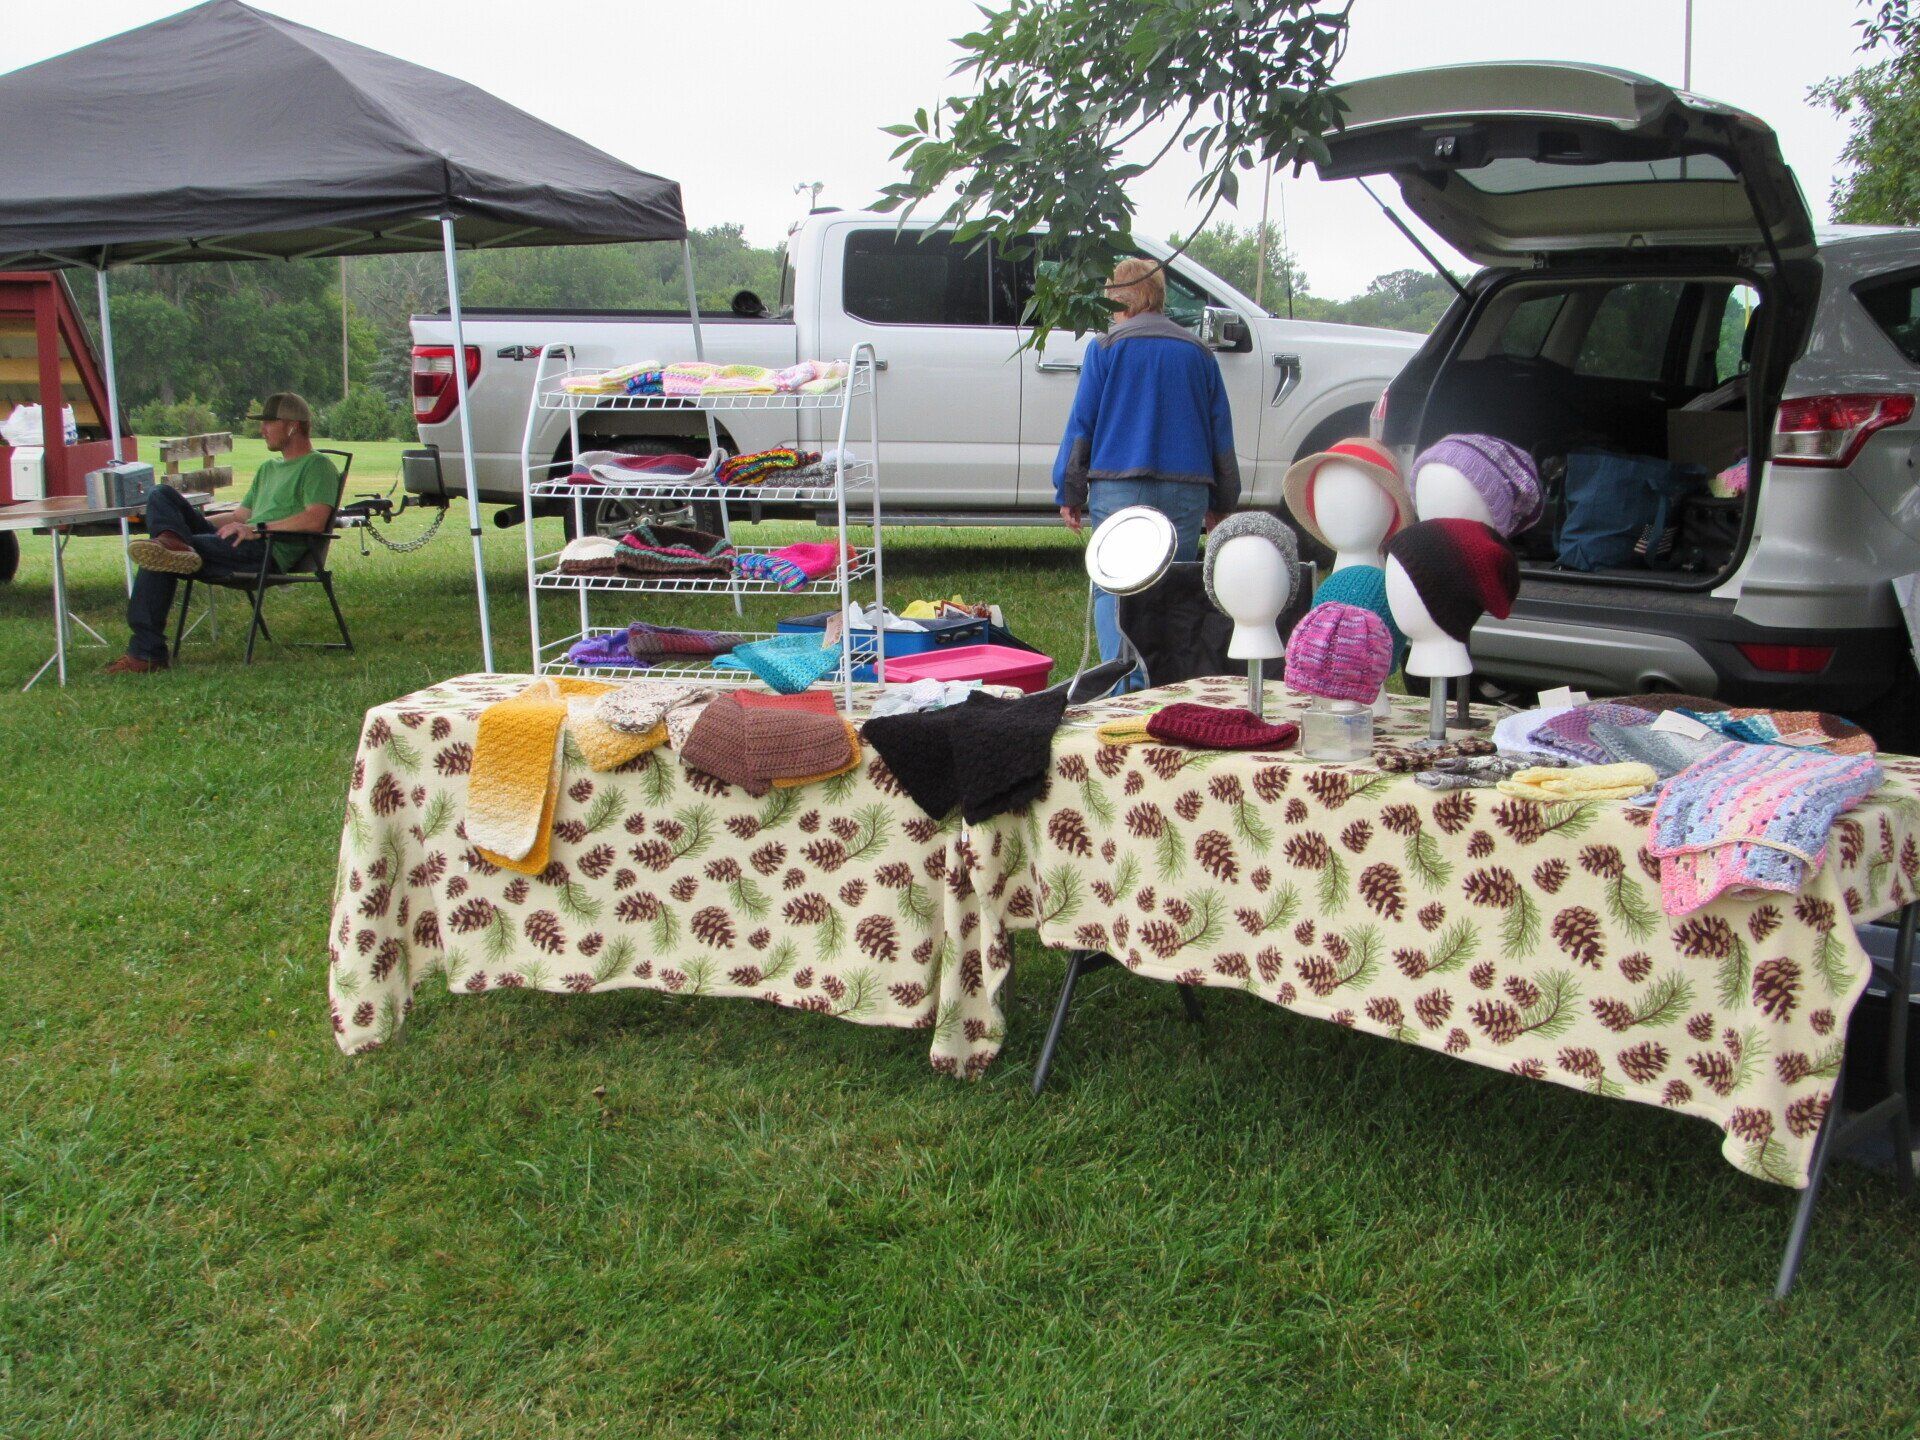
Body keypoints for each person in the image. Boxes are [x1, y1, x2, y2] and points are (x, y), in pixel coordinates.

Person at [1054, 257, 1238, 662]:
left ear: (1115, 296)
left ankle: (1119, 682)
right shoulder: (1199, 353)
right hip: (1186, 489)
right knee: (1174, 588)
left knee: (1113, 587)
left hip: (1118, 486)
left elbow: (1082, 425)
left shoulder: (1105, 347)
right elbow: (1220, 434)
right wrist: (1222, 501)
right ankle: (1164, 683)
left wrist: (1069, 489)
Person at [105, 392, 338, 674]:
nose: (261, 429)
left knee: (159, 555)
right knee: (161, 495)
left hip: (265, 550)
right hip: (238, 539)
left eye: (268, 422)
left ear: (294, 425)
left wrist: (258, 528)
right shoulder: (268, 468)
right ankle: (173, 541)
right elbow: (240, 516)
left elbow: (315, 519)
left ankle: (146, 652)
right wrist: (187, 522)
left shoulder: (317, 466)